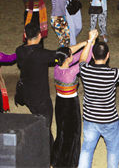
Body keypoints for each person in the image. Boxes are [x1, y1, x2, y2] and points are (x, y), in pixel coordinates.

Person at [16, 23, 87, 157]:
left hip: (27, 94)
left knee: (39, 121)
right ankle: (48, 155)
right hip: (40, 97)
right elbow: (64, 54)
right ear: (40, 35)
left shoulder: (19, 50)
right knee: (45, 126)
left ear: (25, 35)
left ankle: (47, 149)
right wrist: (84, 44)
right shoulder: (40, 54)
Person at [51, 30, 97, 168]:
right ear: (68, 59)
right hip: (70, 105)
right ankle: (68, 162)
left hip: (59, 104)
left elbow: (70, 53)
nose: (72, 55)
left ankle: (56, 157)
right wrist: (89, 43)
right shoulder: (70, 73)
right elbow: (84, 59)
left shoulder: (56, 67)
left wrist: (87, 43)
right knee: (73, 134)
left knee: (62, 132)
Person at [78, 41, 119, 168]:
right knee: (113, 149)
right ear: (108, 55)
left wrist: (89, 41)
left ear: (92, 56)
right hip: (109, 119)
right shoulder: (114, 74)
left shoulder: (85, 70)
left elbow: (82, 58)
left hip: (90, 119)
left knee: (87, 149)